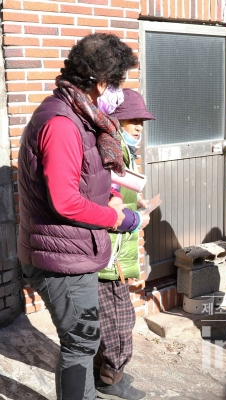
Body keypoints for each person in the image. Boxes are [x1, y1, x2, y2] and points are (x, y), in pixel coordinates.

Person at [18, 33, 143, 400]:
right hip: (63, 260)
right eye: (117, 83)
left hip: (72, 249)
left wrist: (113, 194)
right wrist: (120, 219)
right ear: (102, 82)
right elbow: (66, 201)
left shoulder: (79, 114)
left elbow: (85, 177)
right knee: (80, 344)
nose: (118, 93)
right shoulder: (61, 124)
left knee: (83, 343)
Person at [93, 89, 155, 400]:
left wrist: (137, 200)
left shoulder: (120, 149)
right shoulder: (107, 149)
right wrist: (135, 218)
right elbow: (104, 199)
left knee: (116, 319)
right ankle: (109, 380)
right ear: (116, 120)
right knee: (118, 322)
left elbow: (119, 189)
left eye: (142, 122)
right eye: (133, 120)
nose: (139, 127)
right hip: (107, 255)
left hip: (115, 251)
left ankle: (108, 375)